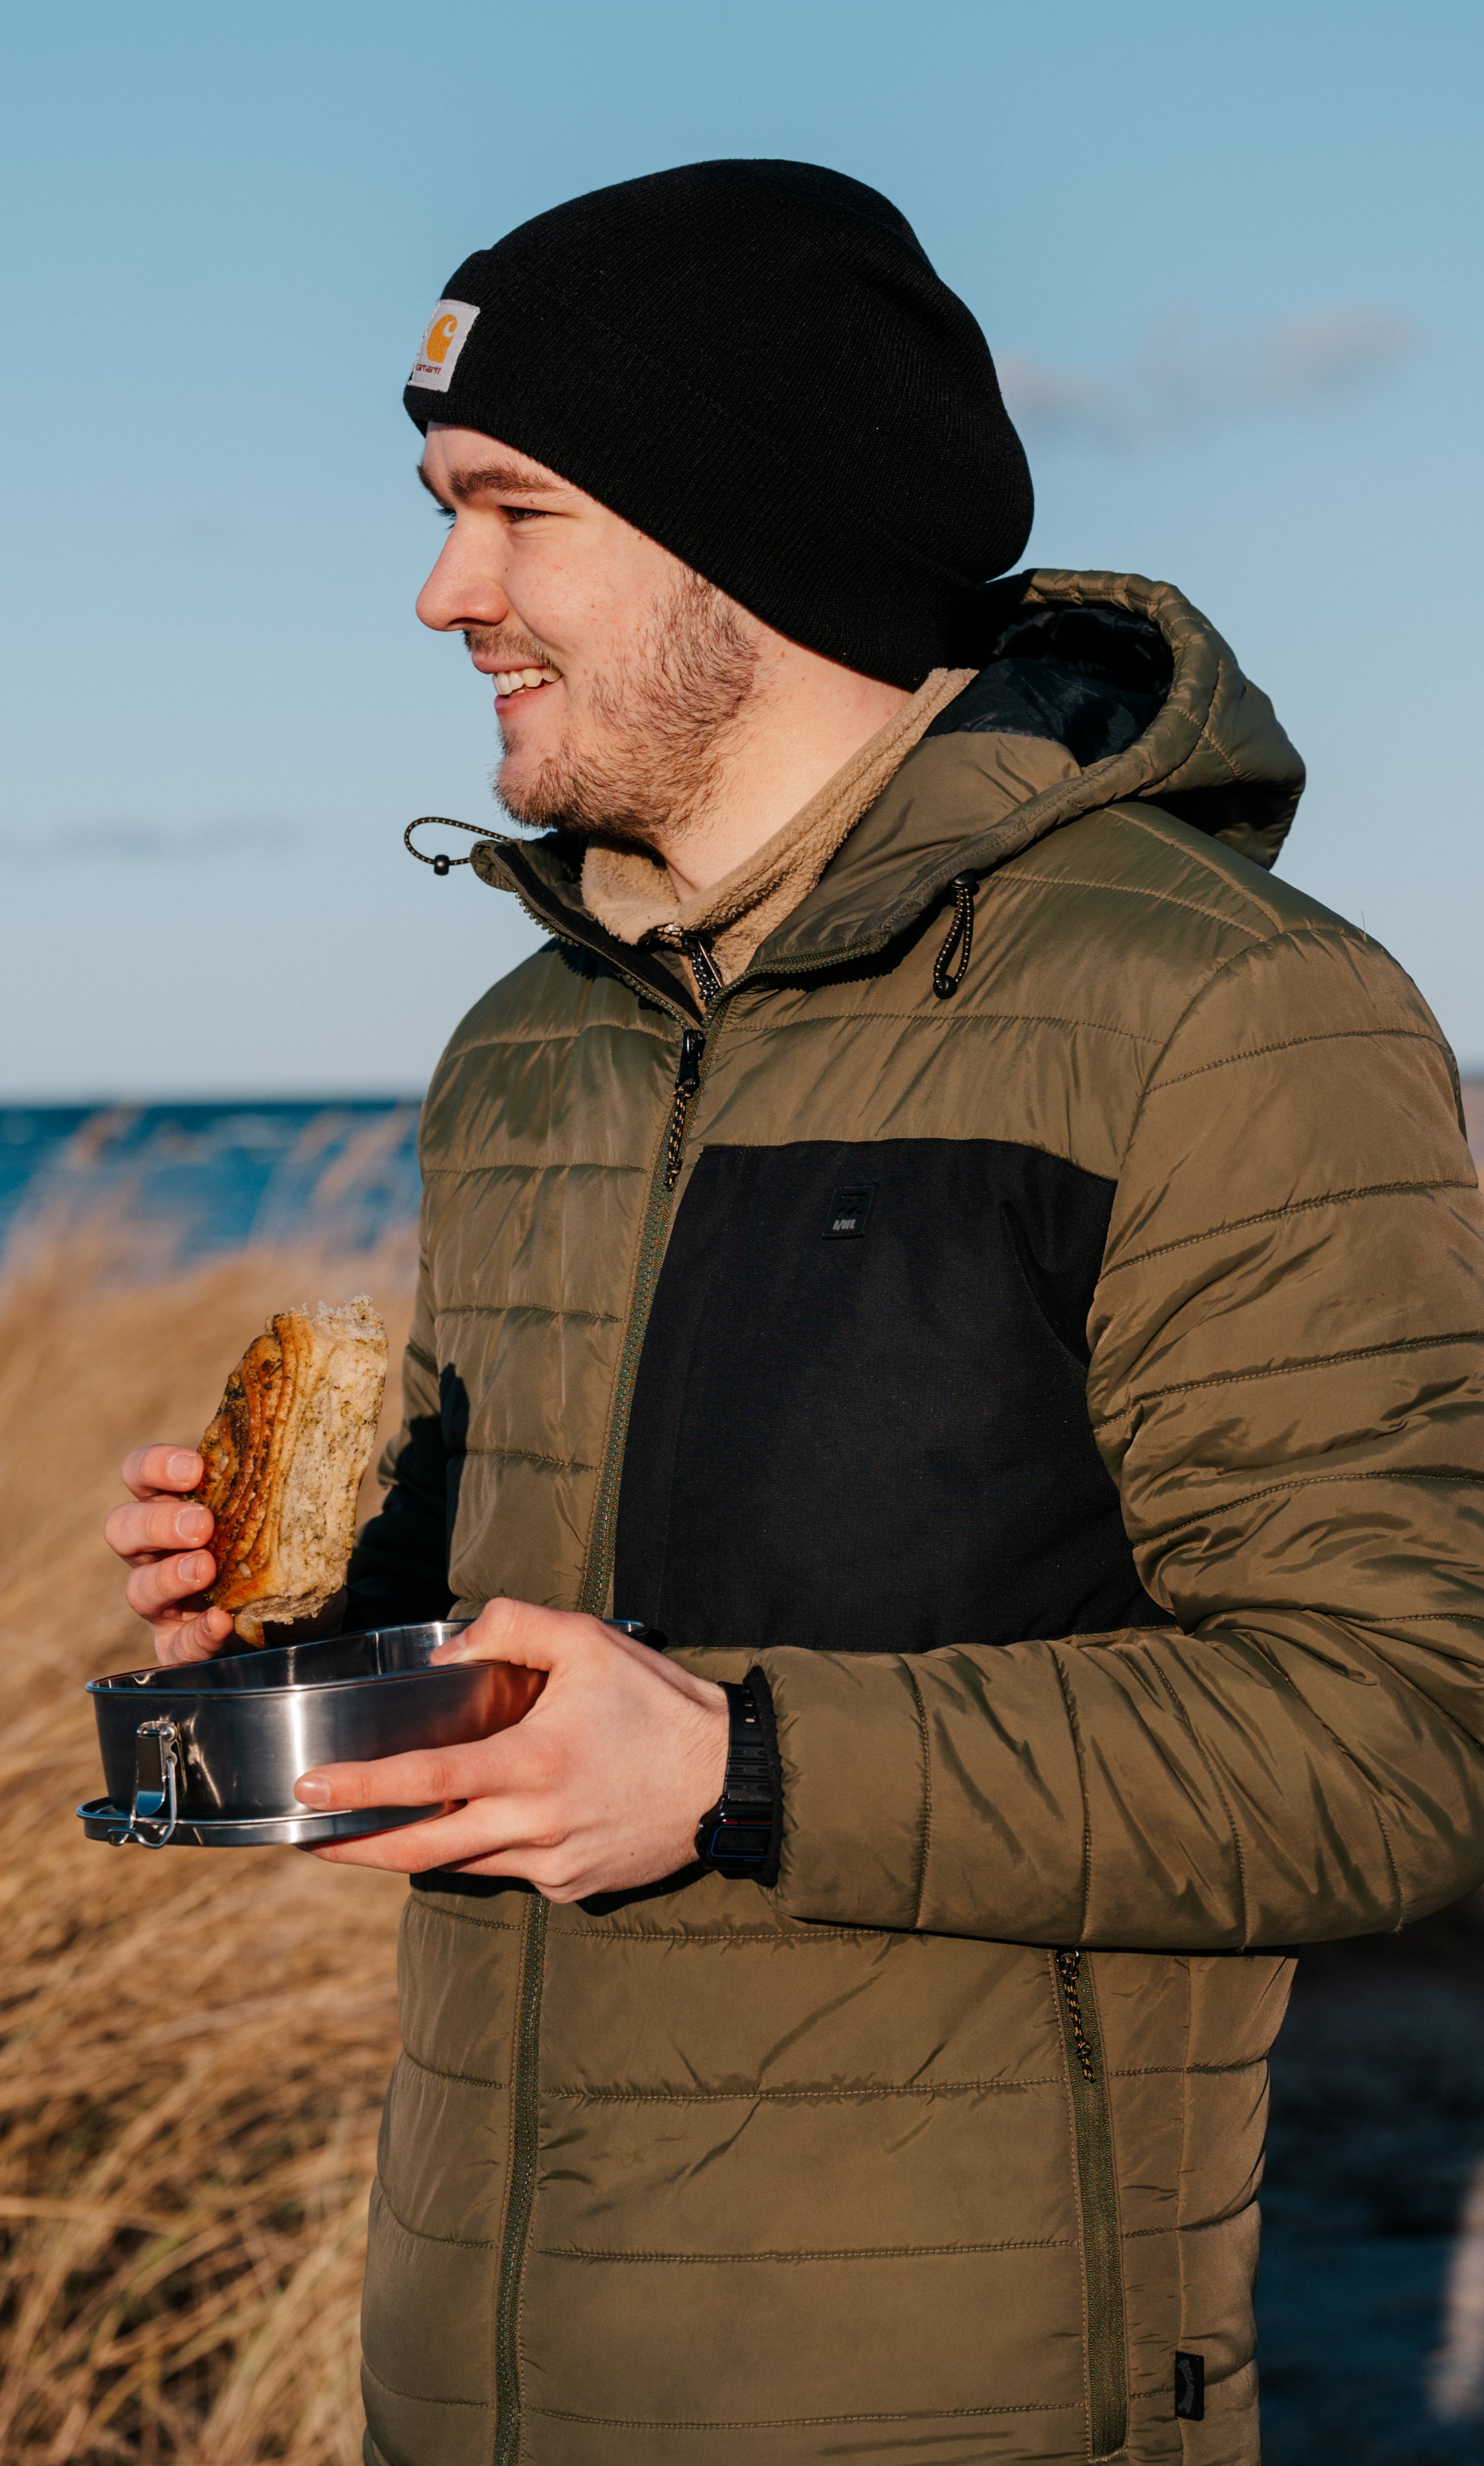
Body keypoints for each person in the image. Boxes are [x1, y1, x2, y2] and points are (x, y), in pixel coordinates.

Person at [105, 161, 1484, 2465]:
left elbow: (1390, 1743)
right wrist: (323, 1625)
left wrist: (733, 1767)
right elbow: (630, 1599)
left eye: (507, 509)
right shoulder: (523, 1048)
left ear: (742, 527)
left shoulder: (1222, 1014)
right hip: (472, 2386)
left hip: (954, 2403)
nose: (442, 591)